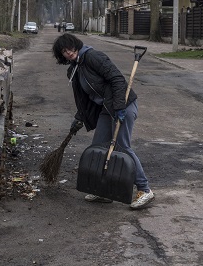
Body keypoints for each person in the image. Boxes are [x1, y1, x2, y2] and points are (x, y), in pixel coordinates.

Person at [51, 33, 155, 209]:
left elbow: (117, 79)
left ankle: (144, 190)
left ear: (76, 44)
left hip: (123, 105)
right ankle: (104, 191)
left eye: (69, 48)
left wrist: (120, 107)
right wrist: (79, 118)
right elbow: (84, 100)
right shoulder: (74, 69)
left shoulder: (93, 57)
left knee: (122, 146)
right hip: (107, 109)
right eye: (63, 51)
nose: (68, 52)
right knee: (99, 146)